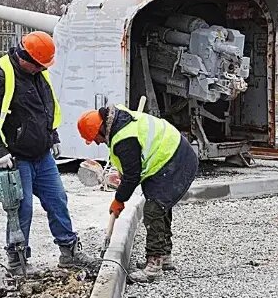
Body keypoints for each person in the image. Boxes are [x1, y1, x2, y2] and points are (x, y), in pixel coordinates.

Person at [0, 31, 97, 275]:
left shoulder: (37, 73)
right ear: (26, 57)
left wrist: (53, 136)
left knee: (58, 200)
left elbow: (46, 108)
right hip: (15, 159)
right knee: (21, 208)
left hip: (42, 155)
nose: (42, 69)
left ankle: (69, 251)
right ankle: (17, 261)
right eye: (39, 65)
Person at [77, 104, 198, 282]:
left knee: (154, 209)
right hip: (171, 156)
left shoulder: (124, 137)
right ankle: (164, 256)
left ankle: (154, 266)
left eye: (96, 139)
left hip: (176, 160)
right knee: (159, 204)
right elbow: (132, 162)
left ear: (100, 129)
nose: (97, 142)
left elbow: (132, 177)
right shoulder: (118, 119)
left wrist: (119, 200)